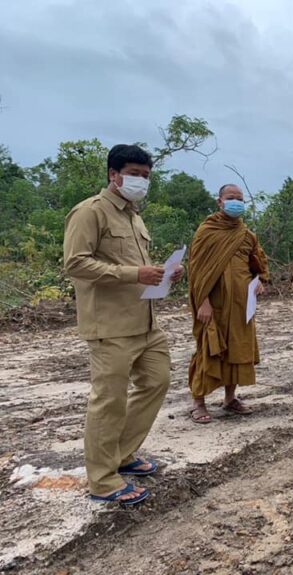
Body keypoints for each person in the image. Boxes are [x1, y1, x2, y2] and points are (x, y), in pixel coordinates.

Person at [63, 144, 183, 505]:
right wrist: (135, 273)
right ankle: (102, 480)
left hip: (145, 321)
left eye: (146, 176)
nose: (141, 181)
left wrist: (163, 274)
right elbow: (76, 264)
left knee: (157, 381)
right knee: (109, 401)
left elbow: (139, 268)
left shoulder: (134, 217)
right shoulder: (90, 212)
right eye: (134, 174)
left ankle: (123, 454)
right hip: (110, 325)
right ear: (113, 175)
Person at [187, 184, 269, 423]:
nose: (236, 202)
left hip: (242, 305)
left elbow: (258, 263)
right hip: (213, 305)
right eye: (231, 198)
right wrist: (202, 302)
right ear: (219, 201)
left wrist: (259, 281)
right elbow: (197, 271)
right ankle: (198, 403)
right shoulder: (207, 231)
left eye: (240, 199)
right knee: (208, 348)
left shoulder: (246, 234)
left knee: (237, 349)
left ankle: (230, 398)